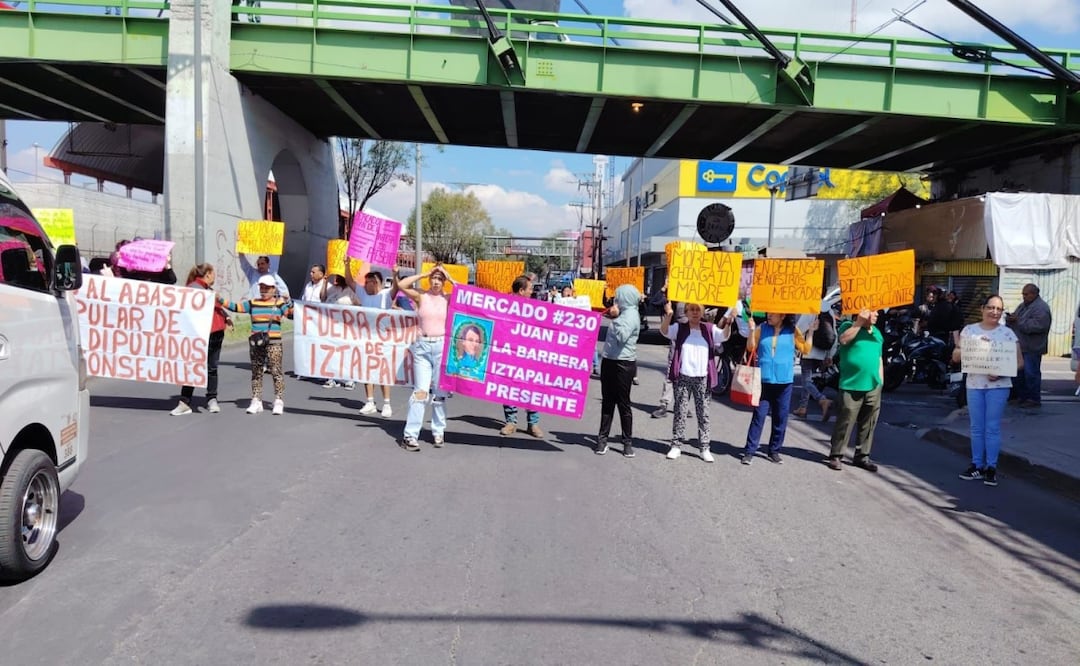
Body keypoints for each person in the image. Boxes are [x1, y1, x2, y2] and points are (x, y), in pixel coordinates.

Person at [952, 294, 1023, 487]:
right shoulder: (970, 331)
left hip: (998, 387)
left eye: (999, 309)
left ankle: (991, 467)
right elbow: (956, 357)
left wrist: (1000, 373)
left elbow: (1019, 363)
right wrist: (960, 349)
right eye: (991, 308)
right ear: (982, 309)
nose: (995, 312)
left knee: (992, 427)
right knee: (976, 427)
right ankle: (976, 464)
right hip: (974, 384)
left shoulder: (1008, 333)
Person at [395, 264, 454, 451]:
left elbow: (468, 293)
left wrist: (450, 277)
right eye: (434, 278)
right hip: (422, 346)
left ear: (443, 282)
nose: (436, 282)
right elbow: (402, 285)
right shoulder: (421, 296)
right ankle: (410, 435)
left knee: (439, 393)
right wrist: (424, 273)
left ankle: (438, 432)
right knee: (420, 392)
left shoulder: (448, 298)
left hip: (440, 347)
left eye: (439, 279)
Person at [741, 313, 812, 465]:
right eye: (768, 312)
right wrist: (752, 330)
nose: (769, 315)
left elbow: (805, 349)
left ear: (783, 315)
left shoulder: (793, 330)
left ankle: (774, 451)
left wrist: (811, 332)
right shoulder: (762, 328)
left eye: (773, 313)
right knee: (758, 417)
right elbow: (750, 347)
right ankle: (749, 451)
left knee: (780, 418)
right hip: (764, 381)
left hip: (784, 382)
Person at [218, 275, 294, 415]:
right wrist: (220, 299)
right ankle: (256, 400)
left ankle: (278, 400)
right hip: (256, 342)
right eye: (262, 287)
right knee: (256, 371)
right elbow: (236, 307)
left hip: (274, 341)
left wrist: (289, 302)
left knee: (276, 371)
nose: (264, 290)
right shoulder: (253, 302)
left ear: (273, 289)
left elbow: (291, 315)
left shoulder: (279, 303)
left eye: (267, 287)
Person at [661, 301, 726, 462]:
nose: (695, 313)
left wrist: (729, 321)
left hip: (702, 378)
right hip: (683, 377)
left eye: (698, 309)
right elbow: (665, 331)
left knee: (703, 414)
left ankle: (704, 447)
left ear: (702, 312)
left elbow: (724, 335)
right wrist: (669, 315)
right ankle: (676, 445)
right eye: (691, 310)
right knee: (680, 412)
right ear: (687, 312)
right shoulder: (680, 328)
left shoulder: (709, 329)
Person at [827, 309, 884, 472]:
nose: (877, 315)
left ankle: (862, 455)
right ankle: (836, 454)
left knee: (869, 423)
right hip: (851, 384)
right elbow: (843, 340)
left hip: (873, 385)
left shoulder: (877, 333)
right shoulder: (848, 326)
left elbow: (879, 358)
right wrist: (859, 322)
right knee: (845, 420)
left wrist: (880, 382)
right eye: (873, 312)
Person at [170, 264, 231, 415]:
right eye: (213, 273)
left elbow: (216, 307)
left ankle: (199, 400)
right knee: (201, 367)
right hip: (203, 334)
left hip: (214, 333)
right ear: (208, 274)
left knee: (206, 367)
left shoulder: (205, 290)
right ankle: (192, 400)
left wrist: (226, 316)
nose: (214, 276)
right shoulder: (195, 289)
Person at [594, 284, 641, 457]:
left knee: (623, 403)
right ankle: (602, 439)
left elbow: (621, 337)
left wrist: (615, 319)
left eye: (619, 296)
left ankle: (627, 442)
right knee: (607, 402)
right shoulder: (623, 313)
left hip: (624, 364)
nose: (616, 299)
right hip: (609, 360)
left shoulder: (631, 315)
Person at [346, 261, 395, 417]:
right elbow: (349, 281)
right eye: (366, 282)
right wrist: (347, 265)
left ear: (378, 283)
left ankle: (386, 404)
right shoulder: (363, 294)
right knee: (367, 371)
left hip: (382, 340)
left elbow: (397, 288)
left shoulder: (386, 295)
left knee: (383, 372)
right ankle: (370, 402)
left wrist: (395, 274)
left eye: (370, 282)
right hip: (366, 339)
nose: (367, 285)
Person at [500, 275, 544, 438]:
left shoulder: (535, 309)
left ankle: (533, 423)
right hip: (509, 353)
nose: (532, 292)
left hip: (529, 354)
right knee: (509, 387)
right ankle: (511, 422)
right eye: (530, 289)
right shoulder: (504, 305)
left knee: (531, 387)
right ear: (521, 290)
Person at [1006, 283, 1052, 408]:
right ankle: (1022, 397)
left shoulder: (1041, 308)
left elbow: (1038, 326)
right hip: (1021, 346)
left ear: (1034, 294)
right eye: (1023, 294)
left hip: (1032, 347)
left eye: (1026, 294)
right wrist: (1010, 319)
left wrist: (1018, 321)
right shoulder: (1023, 306)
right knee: (1019, 374)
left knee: (1031, 374)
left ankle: (1033, 399)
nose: (1024, 297)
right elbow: (1016, 317)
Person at [794, 306, 836, 420]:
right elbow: (834, 334)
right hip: (822, 352)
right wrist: (830, 354)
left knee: (806, 381)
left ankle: (822, 399)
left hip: (809, 350)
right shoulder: (829, 310)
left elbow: (799, 329)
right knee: (808, 380)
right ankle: (803, 407)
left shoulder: (811, 308)